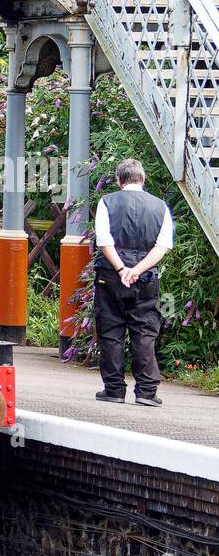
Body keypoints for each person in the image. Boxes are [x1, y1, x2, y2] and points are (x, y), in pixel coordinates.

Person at [92, 158, 174, 406]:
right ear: (143, 179)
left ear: (118, 180)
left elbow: (104, 241)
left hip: (110, 276)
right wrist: (136, 270)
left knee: (111, 330)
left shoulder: (106, 202)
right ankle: (147, 392)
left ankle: (114, 390)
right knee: (145, 331)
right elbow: (163, 246)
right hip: (145, 278)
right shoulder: (161, 207)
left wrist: (121, 268)